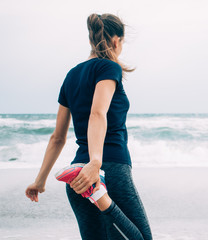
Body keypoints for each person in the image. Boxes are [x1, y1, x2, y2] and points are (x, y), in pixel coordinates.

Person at [25, 13, 152, 240]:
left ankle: (96, 191)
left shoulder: (71, 76)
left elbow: (57, 137)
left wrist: (40, 181)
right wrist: (95, 163)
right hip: (107, 169)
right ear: (116, 41)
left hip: (76, 178)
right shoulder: (108, 68)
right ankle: (99, 195)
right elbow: (98, 112)